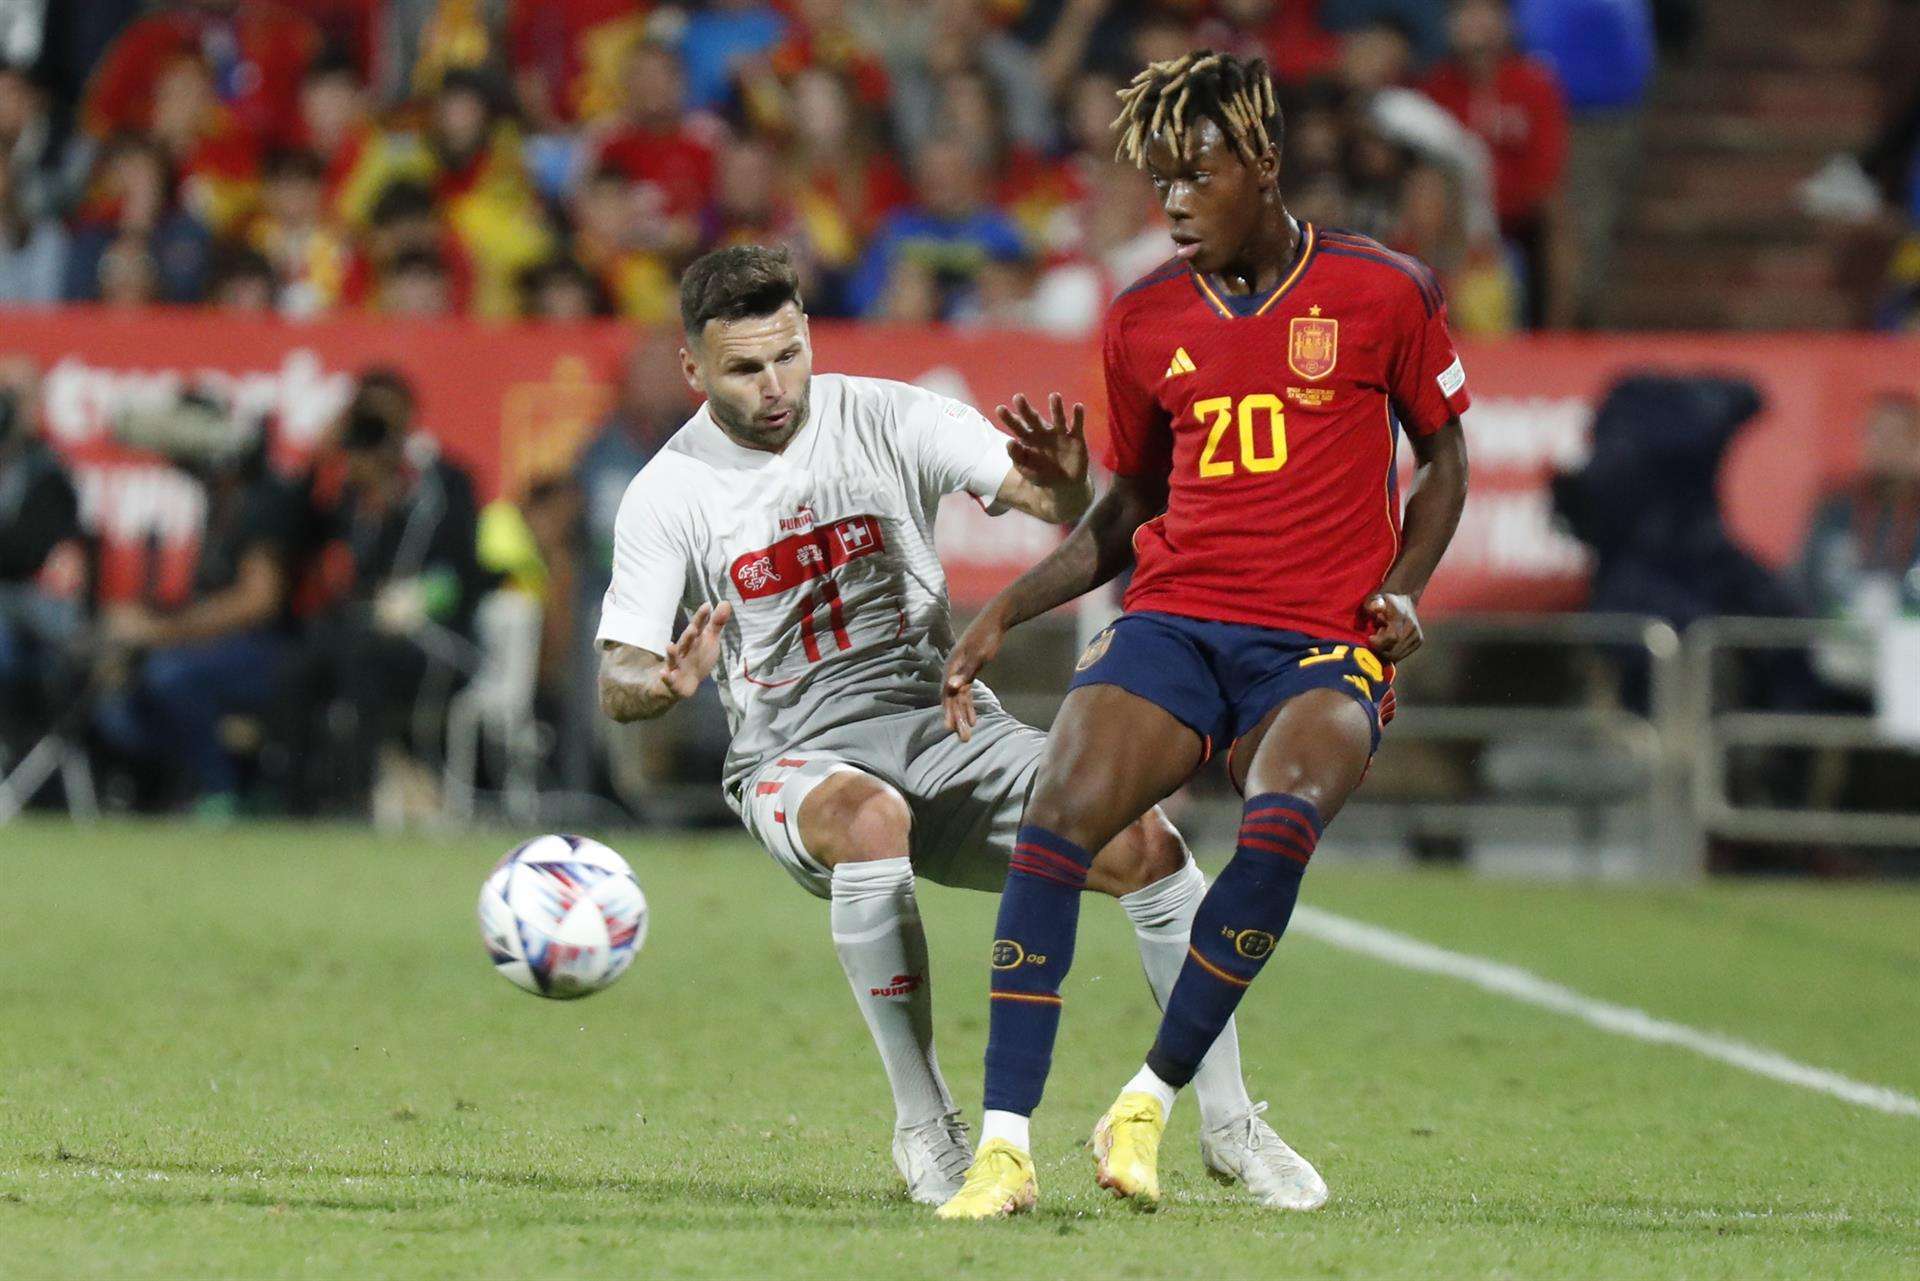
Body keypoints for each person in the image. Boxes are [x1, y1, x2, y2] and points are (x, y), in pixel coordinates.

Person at [597, 244, 1299, 1208]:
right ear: (693, 369)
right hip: (795, 756)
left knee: (1147, 840)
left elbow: (1043, 501)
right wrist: (663, 678)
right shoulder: (668, 491)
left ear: (809, 333)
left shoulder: (890, 413)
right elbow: (617, 673)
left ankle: (1228, 1123)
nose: (775, 386)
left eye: (789, 355)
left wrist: (1057, 484)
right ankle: (925, 1122)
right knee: (870, 819)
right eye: (744, 368)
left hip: (944, 722)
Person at [935, 50, 1471, 1217]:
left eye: (1195, 174)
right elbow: (1125, 515)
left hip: (1323, 640)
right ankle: (1003, 1148)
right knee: (1058, 821)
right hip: (1176, 623)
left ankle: (1150, 1100)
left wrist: (1408, 587)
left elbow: (1445, 457)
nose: (1171, 203)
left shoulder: (1385, 291)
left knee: (1279, 821)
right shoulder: (1141, 321)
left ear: (1264, 163)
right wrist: (1003, 609)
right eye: (1158, 181)